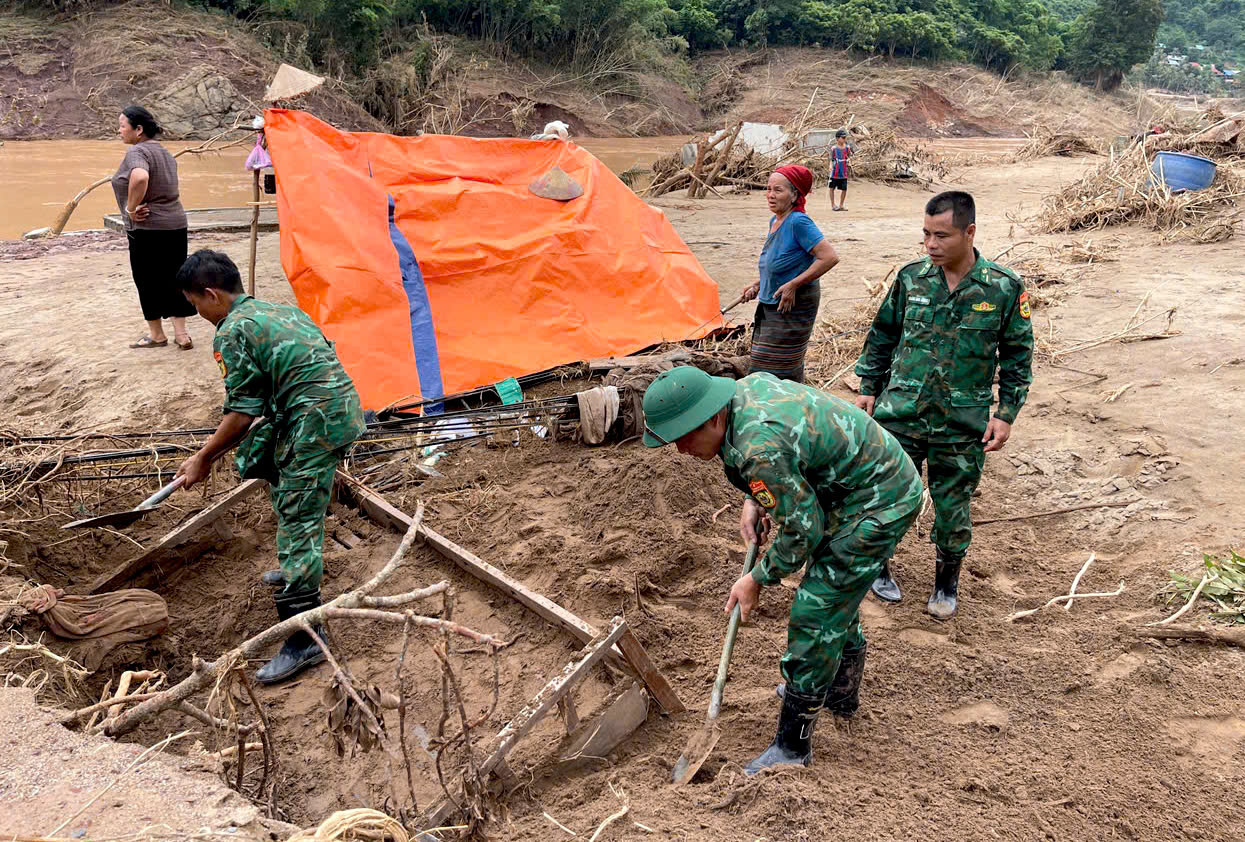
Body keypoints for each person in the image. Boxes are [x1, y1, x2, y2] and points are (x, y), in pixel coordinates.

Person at [642, 366, 922, 774]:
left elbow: (804, 530)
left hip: (880, 501)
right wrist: (758, 499)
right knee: (833, 598)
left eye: (685, 436)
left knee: (817, 610)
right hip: (846, 489)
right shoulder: (741, 395)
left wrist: (756, 578)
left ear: (713, 417)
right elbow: (787, 465)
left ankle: (793, 748)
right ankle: (838, 692)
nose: (681, 450)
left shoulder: (760, 448)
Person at [173, 250, 366, 684]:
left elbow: (241, 412)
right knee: (282, 477)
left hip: (315, 422)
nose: (199, 314)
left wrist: (203, 458)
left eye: (196, 305)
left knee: (296, 519)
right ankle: (300, 565)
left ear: (211, 295)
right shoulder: (275, 309)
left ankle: (305, 642)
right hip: (340, 410)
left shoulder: (232, 331)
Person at [854, 191, 1033, 619]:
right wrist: (868, 385)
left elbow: (1017, 356)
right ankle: (879, 570)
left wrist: (1005, 413)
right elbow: (883, 335)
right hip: (901, 412)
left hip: (962, 421)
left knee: (953, 507)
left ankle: (945, 585)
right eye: (926, 234)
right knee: (887, 496)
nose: (930, 245)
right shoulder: (911, 278)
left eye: (942, 236)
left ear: (969, 232)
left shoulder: (1003, 288)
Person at [740, 164, 839, 383]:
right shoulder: (775, 220)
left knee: (775, 368)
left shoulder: (798, 222)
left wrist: (794, 285)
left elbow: (829, 257)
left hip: (792, 304)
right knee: (764, 363)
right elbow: (780, 262)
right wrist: (758, 284)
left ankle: (786, 407)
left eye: (778, 190)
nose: (770, 195)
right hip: (772, 302)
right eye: (768, 189)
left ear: (795, 194)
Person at [111, 105, 196, 350]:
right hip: (176, 224)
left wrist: (131, 208)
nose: (119, 131)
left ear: (138, 130)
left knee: (147, 279)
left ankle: (157, 335)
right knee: (176, 276)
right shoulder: (165, 153)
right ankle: (182, 335)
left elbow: (140, 178)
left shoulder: (137, 153)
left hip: (148, 228)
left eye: (122, 126)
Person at [829, 129, 851, 211]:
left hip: (844, 171)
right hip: (835, 171)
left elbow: (849, 157)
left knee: (844, 189)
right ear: (837, 138)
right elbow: (831, 159)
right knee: (832, 188)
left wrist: (849, 161)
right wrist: (831, 166)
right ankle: (833, 205)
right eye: (843, 137)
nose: (844, 139)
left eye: (845, 137)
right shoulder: (833, 148)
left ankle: (841, 205)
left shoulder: (848, 148)